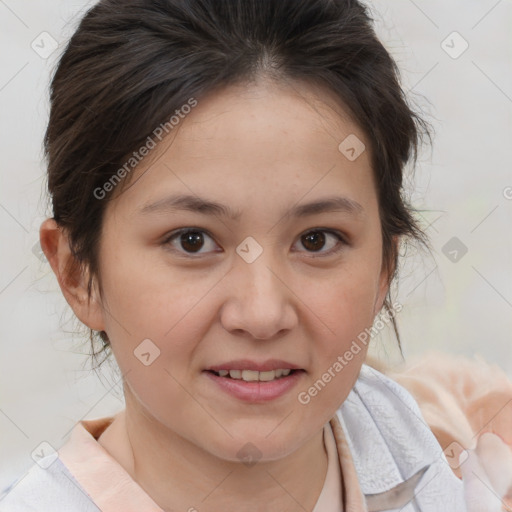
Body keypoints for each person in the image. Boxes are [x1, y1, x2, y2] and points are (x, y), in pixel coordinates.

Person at [2, 0, 509, 510]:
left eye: (317, 240)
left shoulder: (452, 461)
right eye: (192, 240)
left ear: (384, 268)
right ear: (77, 274)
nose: (262, 314)